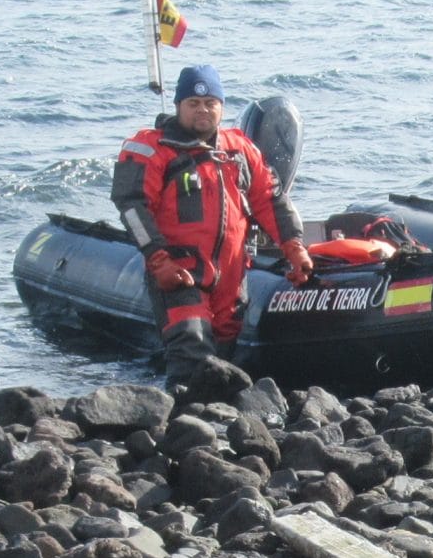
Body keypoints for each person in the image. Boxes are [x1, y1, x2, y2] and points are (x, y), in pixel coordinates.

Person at [112, 62, 314, 391]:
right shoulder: (154, 149)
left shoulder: (240, 150)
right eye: (193, 104)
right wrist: (158, 260)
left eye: (211, 104)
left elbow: (269, 199)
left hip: (231, 277)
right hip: (180, 271)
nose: (203, 111)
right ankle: (187, 429)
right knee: (191, 348)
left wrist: (293, 246)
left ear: (222, 107)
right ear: (178, 106)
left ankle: (216, 427)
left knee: (222, 361)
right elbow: (132, 206)